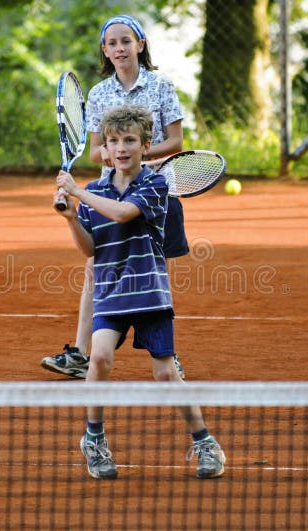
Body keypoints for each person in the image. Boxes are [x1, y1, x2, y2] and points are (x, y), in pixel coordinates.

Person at [53, 105, 225, 480]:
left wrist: (77, 192)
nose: (121, 148)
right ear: (105, 151)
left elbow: (123, 214)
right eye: (113, 141)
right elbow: (89, 249)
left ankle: (204, 441)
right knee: (98, 358)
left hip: (149, 294)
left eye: (130, 140)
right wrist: (71, 218)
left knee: (165, 375)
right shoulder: (96, 190)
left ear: (145, 146)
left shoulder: (154, 185)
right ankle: (94, 439)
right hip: (111, 293)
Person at [41, 14, 189, 380]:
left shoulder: (161, 87)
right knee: (95, 267)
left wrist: (137, 156)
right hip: (111, 193)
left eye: (126, 41)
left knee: (154, 271)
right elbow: (94, 151)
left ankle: (168, 355)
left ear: (140, 45)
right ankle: (80, 353)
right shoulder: (99, 94)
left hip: (153, 191)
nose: (119, 48)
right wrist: (111, 155)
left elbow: (176, 142)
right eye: (112, 44)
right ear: (105, 52)